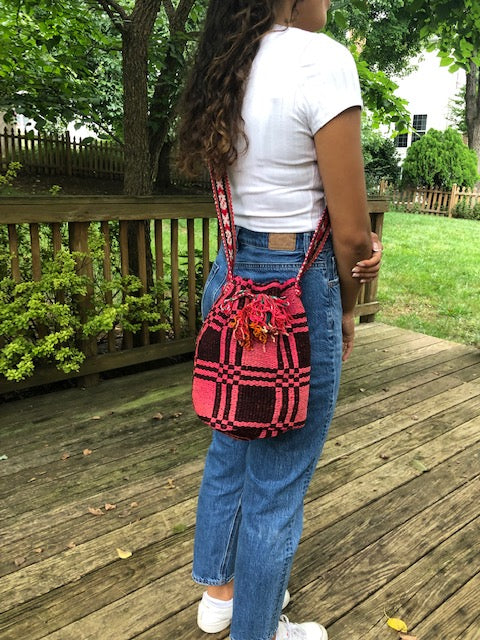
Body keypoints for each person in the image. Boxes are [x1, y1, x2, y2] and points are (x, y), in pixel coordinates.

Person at [178, 1, 382, 639]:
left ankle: (221, 595)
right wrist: (347, 311)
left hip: (232, 269)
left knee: (231, 445)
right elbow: (352, 235)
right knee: (278, 480)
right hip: (299, 283)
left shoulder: (227, 61)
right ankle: (258, 632)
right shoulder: (323, 60)